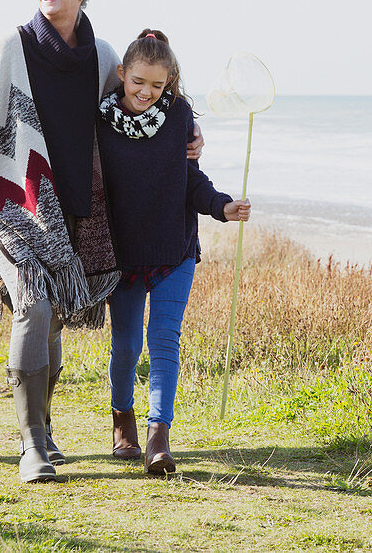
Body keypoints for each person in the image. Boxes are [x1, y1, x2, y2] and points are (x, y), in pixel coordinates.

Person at [0, 0, 203, 484]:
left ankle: (44, 425)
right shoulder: (9, 46)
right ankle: (31, 445)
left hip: (76, 213)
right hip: (12, 204)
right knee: (33, 305)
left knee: (51, 315)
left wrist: (191, 131)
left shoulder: (102, 56)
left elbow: (137, 108)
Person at [97, 30, 250, 475]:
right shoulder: (100, 120)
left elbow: (192, 180)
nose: (146, 92)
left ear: (170, 84)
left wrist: (222, 205)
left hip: (174, 250)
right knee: (125, 346)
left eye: (157, 86)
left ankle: (158, 437)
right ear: (122, 74)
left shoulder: (179, 115)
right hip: (123, 254)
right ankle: (121, 418)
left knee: (163, 340)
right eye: (138, 82)